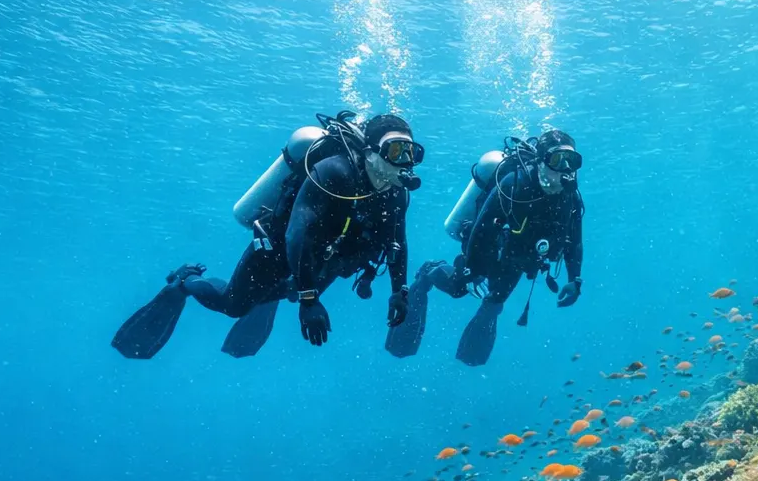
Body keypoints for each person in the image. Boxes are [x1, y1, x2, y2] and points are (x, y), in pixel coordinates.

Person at [112, 111, 421, 359]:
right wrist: (309, 299)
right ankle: (186, 282)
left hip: (326, 258)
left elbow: (399, 242)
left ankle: (282, 292)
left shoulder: (395, 194)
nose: (405, 162)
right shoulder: (333, 172)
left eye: (412, 152)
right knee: (233, 306)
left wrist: (400, 291)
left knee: (286, 293)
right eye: (396, 150)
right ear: (370, 152)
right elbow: (297, 235)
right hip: (276, 248)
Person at [385, 128, 583, 366]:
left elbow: (575, 240)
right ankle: (431, 271)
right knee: (458, 289)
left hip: (521, 258)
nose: (565, 170)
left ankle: (466, 361)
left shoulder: (571, 197)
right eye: (556, 160)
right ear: (541, 162)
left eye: (570, 161)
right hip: (488, 247)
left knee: (493, 305)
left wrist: (575, 279)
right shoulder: (515, 184)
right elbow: (482, 229)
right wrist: (473, 269)